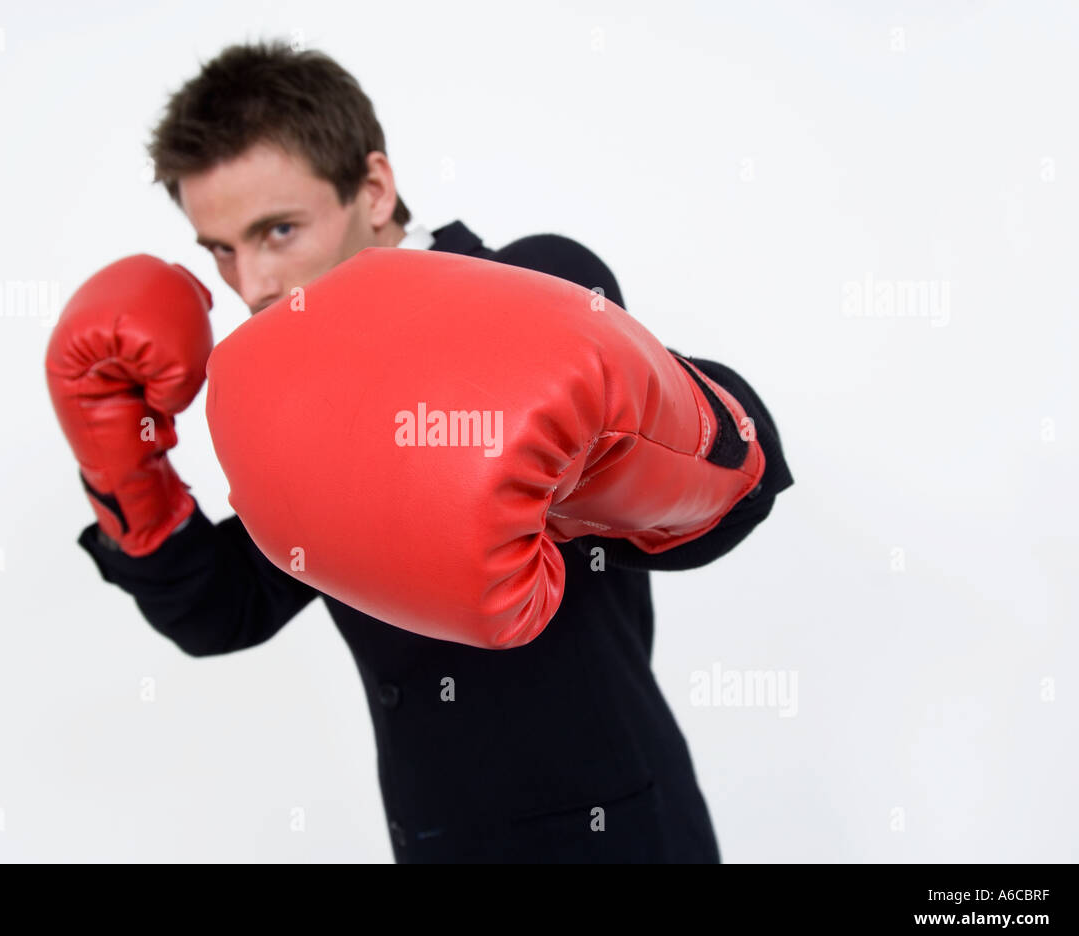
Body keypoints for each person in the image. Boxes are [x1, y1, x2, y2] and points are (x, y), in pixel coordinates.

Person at [50, 38, 794, 862]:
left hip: (615, 833)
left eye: (277, 230)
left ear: (373, 189)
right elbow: (225, 609)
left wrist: (692, 421)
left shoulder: (530, 280)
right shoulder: (295, 402)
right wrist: (120, 460)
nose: (251, 284)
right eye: (220, 249)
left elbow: (729, 493)